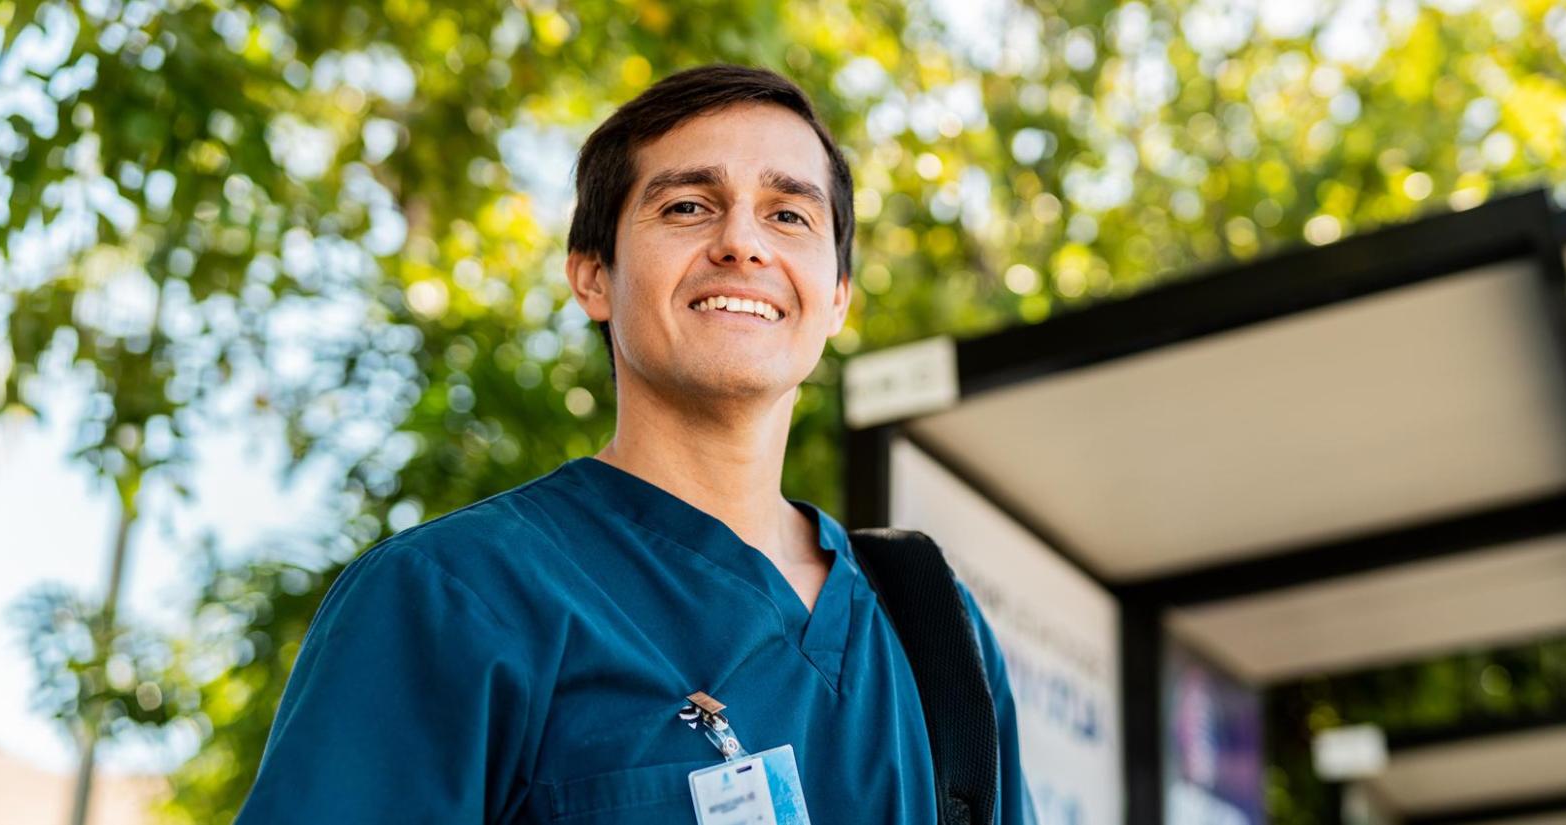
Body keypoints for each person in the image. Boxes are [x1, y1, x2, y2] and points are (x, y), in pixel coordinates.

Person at [234, 64, 1033, 823]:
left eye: (789, 214)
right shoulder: (453, 595)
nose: (743, 243)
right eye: (688, 205)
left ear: (836, 299)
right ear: (592, 276)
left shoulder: (933, 628)